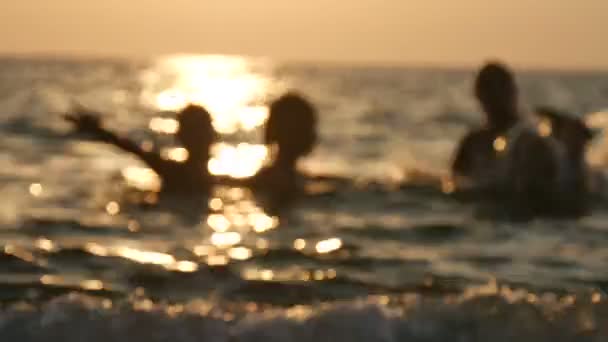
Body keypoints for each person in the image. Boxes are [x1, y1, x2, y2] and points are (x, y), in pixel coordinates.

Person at [450, 62, 587, 218]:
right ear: (479, 96)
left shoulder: (533, 133)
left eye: (501, 91)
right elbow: (455, 183)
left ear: (513, 91)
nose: (497, 99)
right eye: (491, 92)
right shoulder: (473, 142)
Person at [65, 104, 216, 195]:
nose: (210, 135)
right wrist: (99, 131)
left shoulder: (175, 171)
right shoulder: (176, 173)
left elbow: (131, 148)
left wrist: (98, 131)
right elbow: (131, 148)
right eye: (204, 130)